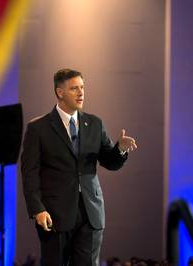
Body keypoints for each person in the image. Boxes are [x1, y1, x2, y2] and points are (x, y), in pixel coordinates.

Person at [21, 69, 138, 266]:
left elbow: (109, 161)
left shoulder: (94, 124)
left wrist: (120, 150)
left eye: (82, 87)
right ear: (60, 92)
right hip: (55, 216)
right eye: (74, 88)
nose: (81, 93)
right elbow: (29, 174)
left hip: (90, 214)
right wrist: (37, 209)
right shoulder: (38, 128)